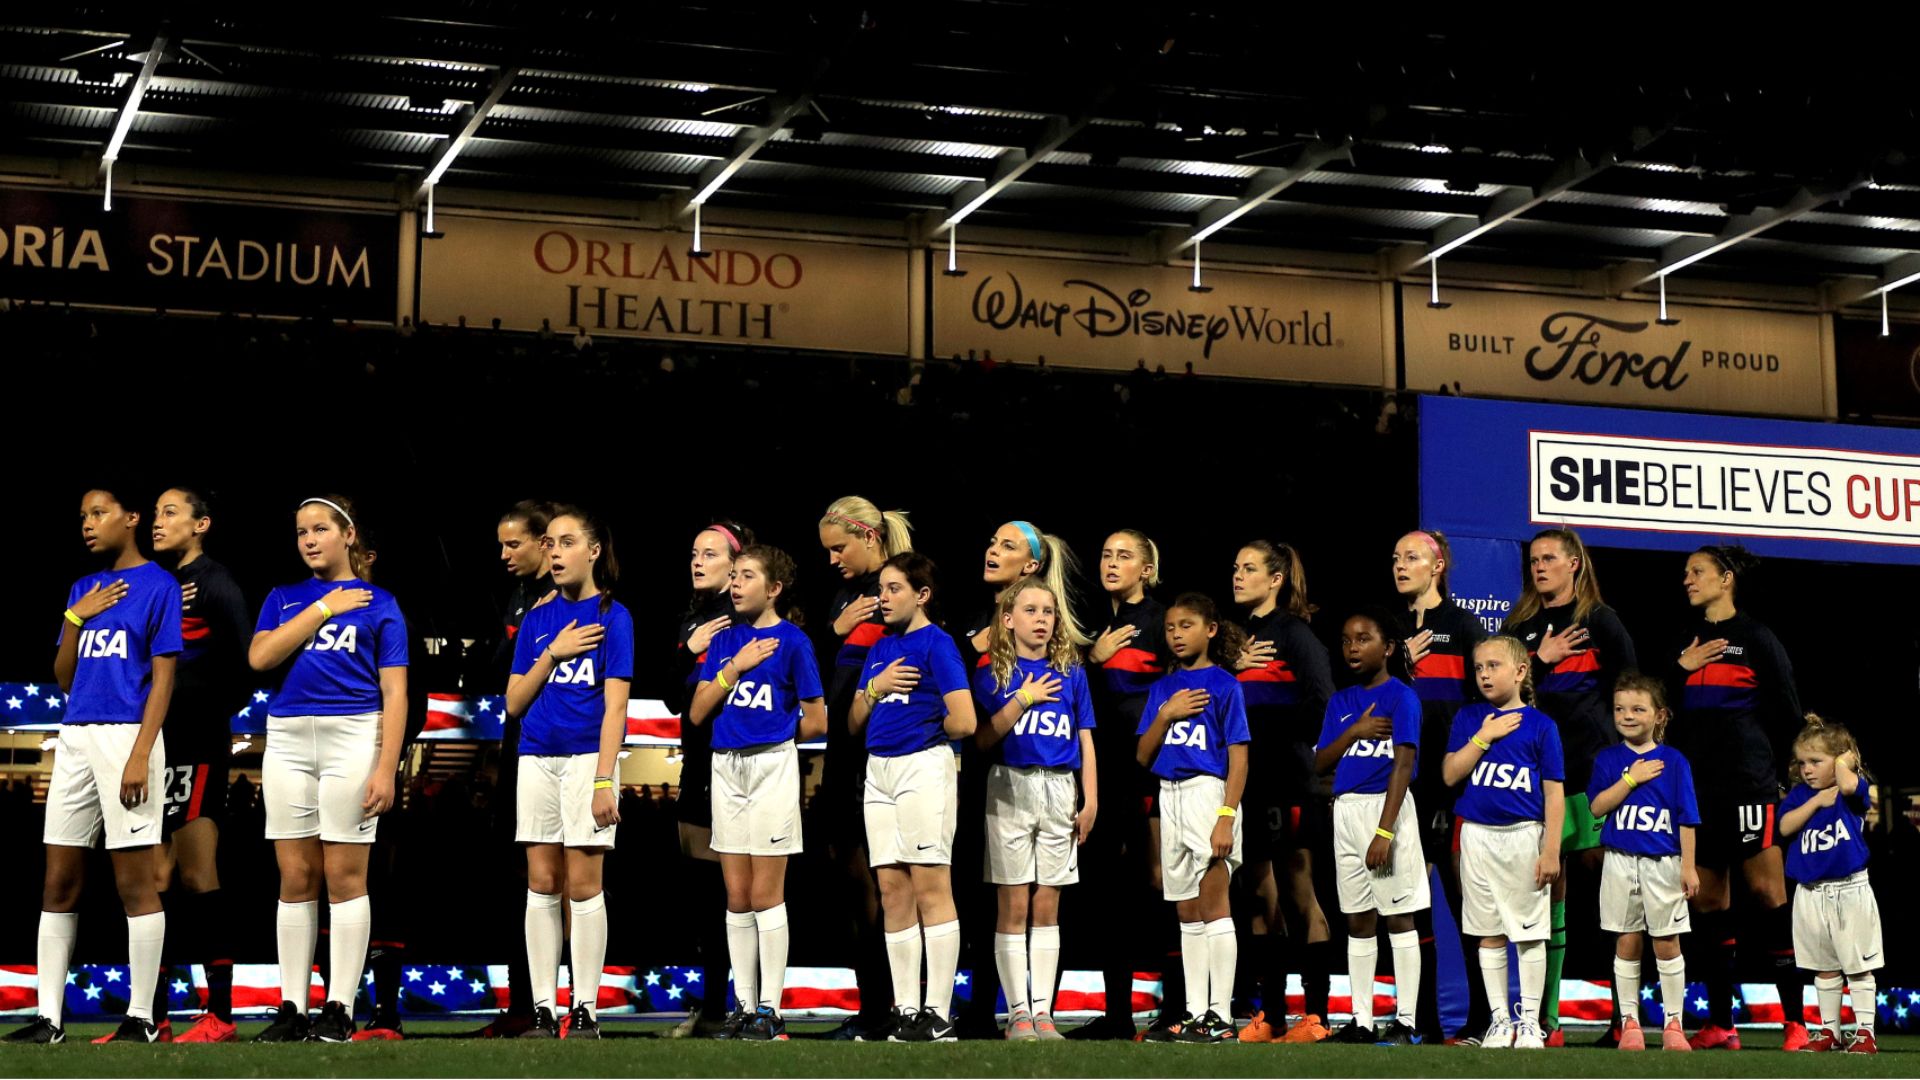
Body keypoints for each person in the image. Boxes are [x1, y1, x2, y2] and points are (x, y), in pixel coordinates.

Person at [7, 487, 181, 1045]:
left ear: (131, 518)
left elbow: (164, 678)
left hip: (128, 735)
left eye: (99, 513)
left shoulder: (159, 585)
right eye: (83, 515)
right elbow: (64, 677)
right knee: (58, 882)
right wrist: (74, 617)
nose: (88, 523)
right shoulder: (82, 588)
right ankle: (49, 1020)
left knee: (134, 883)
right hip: (76, 735)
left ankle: (142, 1018)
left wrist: (140, 753)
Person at [247, 496, 408, 1043]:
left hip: (354, 736)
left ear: (348, 534)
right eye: (301, 532)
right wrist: (323, 609)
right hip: (288, 738)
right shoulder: (283, 598)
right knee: (295, 877)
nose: (310, 540)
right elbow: (260, 658)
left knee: (344, 877)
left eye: (320, 529)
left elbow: (396, 692)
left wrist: (386, 767)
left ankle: (339, 1005)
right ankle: (292, 1007)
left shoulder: (381, 603)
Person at [685, 545, 826, 1042]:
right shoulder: (726, 639)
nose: (737, 584)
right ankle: (743, 1008)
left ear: (774, 588)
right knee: (737, 896)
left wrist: (777, 734)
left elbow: (817, 720)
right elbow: (697, 712)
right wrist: (735, 667)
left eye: (747, 576)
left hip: (771, 765)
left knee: (767, 894)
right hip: (725, 766)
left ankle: (771, 1009)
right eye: (735, 576)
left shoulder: (794, 642)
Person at [1501, 527, 1637, 1042]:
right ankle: (1547, 1021)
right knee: (1549, 894)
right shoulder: (1520, 627)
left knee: (1613, 897)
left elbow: (1631, 693)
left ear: (1574, 563)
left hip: (1596, 777)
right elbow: (1497, 691)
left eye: (1549, 558)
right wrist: (1540, 659)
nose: (1539, 566)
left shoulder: (1601, 621)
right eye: (1534, 559)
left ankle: (1623, 1020)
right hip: (1540, 778)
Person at [1669, 546, 1806, 1051]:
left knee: (1769, 896)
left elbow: (1788, 713)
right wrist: (1679, 667)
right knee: (1708, 903)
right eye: (1685, 573)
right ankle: (1722, 1024)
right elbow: (1658, 708)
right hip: (1699, 790)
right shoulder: (1684, 640)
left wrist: (1779, 776)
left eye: (1697, 572)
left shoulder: (1757, 638)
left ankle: (1796, 1023)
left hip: (1749, 786)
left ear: (1726, 579)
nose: (1688, 580)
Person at [505, 506, 631, 1041]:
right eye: (551, 544)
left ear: (594, 551)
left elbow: (616, 708)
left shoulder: (614, 617)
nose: (555, 553)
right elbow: (513, 703)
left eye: (567, 542)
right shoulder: (537, 619)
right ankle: (542, 1008)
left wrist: (604, 779)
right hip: (536, 757)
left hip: (586, 761)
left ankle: (585, 1010)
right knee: (541, 884)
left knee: (583, 886)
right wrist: (552, 654)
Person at [850, 553, 977, 1042]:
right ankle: (906, 1011)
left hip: (923, 766)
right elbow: (853, 722)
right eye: (881, 588)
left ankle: (938, 1013)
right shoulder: (881, 648)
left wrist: (924, 726)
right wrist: (875, 688)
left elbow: (964, 721)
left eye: (894, 588)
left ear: (922, 595)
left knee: (930, 889)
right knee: (892, 891)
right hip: (878, 770)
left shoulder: (938, 644)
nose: (883, 598)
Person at [973, 579, 1098, 1041]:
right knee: (1013, 903)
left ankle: (1044, 1012)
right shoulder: (992, 673)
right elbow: (983, 738)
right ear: (1008, 619)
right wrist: (1023, 698)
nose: (1041, 619)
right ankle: (1017, 1014)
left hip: (1060, 788)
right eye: (1030, 610)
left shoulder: (1071, 670)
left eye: (1048, 611)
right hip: (1010, 786)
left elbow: (1085, 737)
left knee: (1048, 903)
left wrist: (1090, 798)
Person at [149, 487, 251, 1043]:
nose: (158, 521)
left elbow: (247, 657)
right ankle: (153, 1016)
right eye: (156, 512)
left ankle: (221, 1015)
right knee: (157, 877)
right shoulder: (160, 582)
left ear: (201, 524)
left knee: (196, 873)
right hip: (156, 746)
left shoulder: (215, 582)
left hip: (197, 745)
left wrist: (209, 713)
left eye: (170, 513)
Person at [813, 496, 913, 1040]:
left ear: (869, 537)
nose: (832, 560)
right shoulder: (844, 599)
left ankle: (891, 1008)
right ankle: (873, 1007)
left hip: (877, 757)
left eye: (839, 548)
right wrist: (834, 630)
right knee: (852, 885)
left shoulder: (895, 592)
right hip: (840, 753)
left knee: (882, 883)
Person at [1228, 540, 1335, 1043]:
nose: (1237, 575)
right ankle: (1270, 1014)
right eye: (1235, 567)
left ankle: (1316, 1016)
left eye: (1249, 568)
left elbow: (1322, 704)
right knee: (1257, 894)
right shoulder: (1235, 638)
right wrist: (1232, 670)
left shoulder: (1295, 634)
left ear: (1276, 579)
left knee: (1298, 890)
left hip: (1289, 778)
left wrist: (1276, 735)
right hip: (1248, 781)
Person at [1134, 592, 1250, 1045]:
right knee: (1186, 909)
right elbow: (1143, 755)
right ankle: (1196, 1012)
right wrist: (1166, 715)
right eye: (1170, 628)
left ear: (1211, 630)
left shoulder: (1225, 685)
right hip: (1170, 795)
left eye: (1187, 626)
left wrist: (1226, 815)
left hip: (1208, 793)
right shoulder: (1163, 689)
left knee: (1213, 903)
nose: (1177, 635)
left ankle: (1222, 1016)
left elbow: (1239, 758)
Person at [1441, 637, 1566, 1050]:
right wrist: (1483, 737)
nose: (1484, 675)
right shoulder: (1469, 717)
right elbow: (1449, 774)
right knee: (1488, 933)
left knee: (1530, 933)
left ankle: (1529, 1021)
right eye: (1479, 667)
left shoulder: (1542, 726)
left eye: (1494, 666)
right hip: (1476, 837)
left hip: (1523, 837)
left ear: (1520, 671)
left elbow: (1553, 794)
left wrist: (1551, 850)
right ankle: (1499, 1021)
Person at [1071, 529, 1168, 1040]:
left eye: (1124, 556)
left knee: (1158, 885)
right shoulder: (1089, 623)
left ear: (1146, 570)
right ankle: (1118, 1016)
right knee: (1108, 893)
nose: (1111, 563)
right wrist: (1093, 656)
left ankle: (1178, 1009)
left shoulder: (1160, 621)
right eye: (1106, 554)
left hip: (1147, 773)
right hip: (1098, 773)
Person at [1314, 608, 1427, 1046]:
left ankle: (1407, 1022)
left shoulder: (1402, 697)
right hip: (1345, 811)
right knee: (1358, 918)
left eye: (1363, 639)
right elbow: (1320, 762)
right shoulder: (1341, 702)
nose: (1353, 648)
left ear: (1389, 647)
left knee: (1398, 915)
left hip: (1385, 809)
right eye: (1346, 640)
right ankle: (1362, 1021)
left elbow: (1404, 764)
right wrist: (1355, 731)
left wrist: (1384, 831)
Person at [1390, 529, 1481, 1042]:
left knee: (1465, 902)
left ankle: (1481, 1018)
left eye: (1412, 557)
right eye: (1396, 558)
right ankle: (1419, 1020)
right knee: (1408, 904)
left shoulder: (1463, 626)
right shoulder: (1387, 628)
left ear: (1437, 566)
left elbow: (1483, 702)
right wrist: (1396, 661)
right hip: (1398, 784)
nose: (1401, 566)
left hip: (1450, 786)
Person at [472, 500, 554, 1038]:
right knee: (519, 881)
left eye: (513, 543)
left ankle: (569, 1005)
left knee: (559, 882)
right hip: (517, 749)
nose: (503, 554)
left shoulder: (568, 598)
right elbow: (502, 671)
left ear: (543, 543)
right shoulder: (520, 595)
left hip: (556, 752)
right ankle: (523, 1006)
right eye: (500, 544)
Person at [669, 520, 753, 1039]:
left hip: (733, 762)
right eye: (694, 554)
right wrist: (688, 648)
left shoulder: (743, 619)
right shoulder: (693, 621)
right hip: (695, 764)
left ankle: (742, 1005)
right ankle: (716, 1005)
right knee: (703, 895)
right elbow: (672, 697)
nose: (698, 562)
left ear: (736, 564)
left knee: (735, 892)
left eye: (710, 554)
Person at [1588, 672, 1699, 1053]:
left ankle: (1673, 1024)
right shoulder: (1608, 759)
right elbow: (1597, 806)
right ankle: (1629, 1023)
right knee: (1626, 940)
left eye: (1638, 709)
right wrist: (1631, 780)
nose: (1627, 716)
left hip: (1663, 864)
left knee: (1666, 942)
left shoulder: (1674, 761)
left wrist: (1688, 866)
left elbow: (1687, 818)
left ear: (1660, 715)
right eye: (1620, 709)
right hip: (1620, 862)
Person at [1777, 716, 1883, 1056]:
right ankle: (1830, 1032)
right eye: (1802, 762)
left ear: (1838, 761)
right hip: (1810, 892)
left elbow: (1850, 786)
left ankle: (1865, 1033)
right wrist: (1815, 801)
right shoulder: (1800, 795)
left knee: (1858, 966)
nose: (1807, 769)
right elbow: (1784, 827)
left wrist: (1844, 762)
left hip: (1849, 889)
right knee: (1824, 967)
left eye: (1816, 761)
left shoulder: (1850, 791)